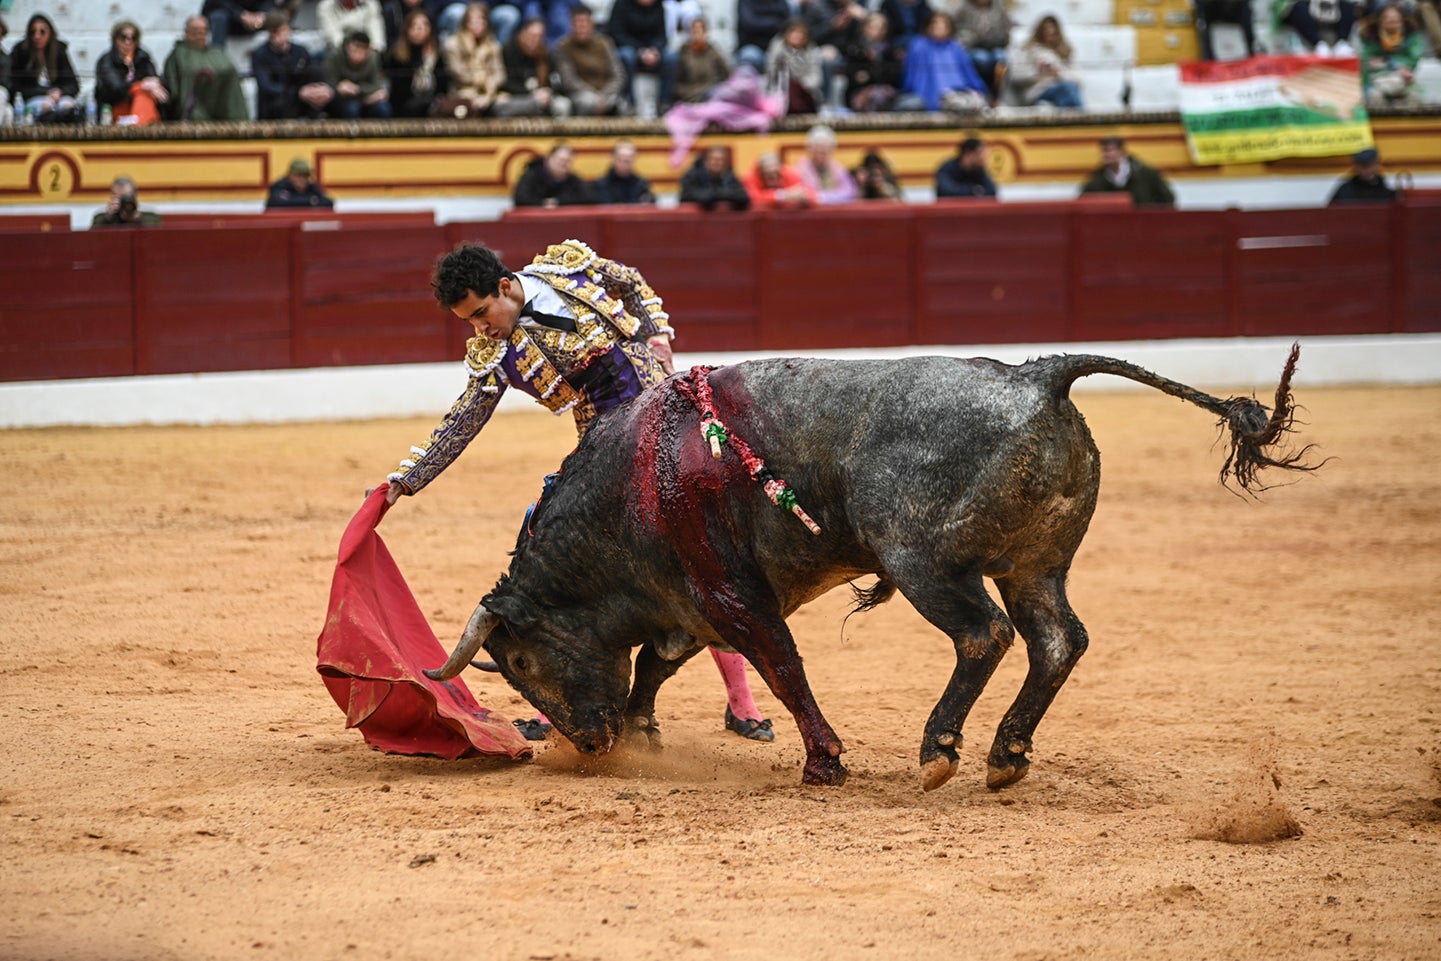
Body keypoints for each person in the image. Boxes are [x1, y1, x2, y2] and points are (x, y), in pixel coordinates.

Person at [378, 239, 775, 742]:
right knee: (554, 549)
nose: (481, 328)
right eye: (470, 323)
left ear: (505, 286)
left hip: (674, 421)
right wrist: (405, 482)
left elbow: (630, 279)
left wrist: (656, 336)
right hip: (606, 451)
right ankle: (552, 705)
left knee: (707, 549)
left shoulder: (567, 268)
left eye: (482, 313)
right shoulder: (495, 352)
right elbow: (463, 420)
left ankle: (742, 704)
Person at [897, 12, 989, 113]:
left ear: (950, 28)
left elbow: (969, 74)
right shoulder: (919, 46)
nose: (939, 27)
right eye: (935, 23)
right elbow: (911, 77)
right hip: (926, 97)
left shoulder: (956, 48)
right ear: (928, 26)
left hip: (958, 94)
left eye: (943, 24)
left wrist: (980, 91)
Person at [162, 16, 251, 120]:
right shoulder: (178, 55)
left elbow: (230, 71)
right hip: (193, 106)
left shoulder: (217, 53)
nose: (199, 36)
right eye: (194, 32)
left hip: (221, 102)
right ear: (186, 32)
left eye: (202, 31)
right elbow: (173, 87)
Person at [252, 13, 334, 119]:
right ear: (270, 33)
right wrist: (297, 93)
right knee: (281, 103)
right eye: (276, 31)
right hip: (277, 102)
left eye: (283, 30)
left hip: (301, 99)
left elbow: (313, 72)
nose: (281, 35)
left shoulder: (300, 51)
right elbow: (267, 86)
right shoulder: (260, 54)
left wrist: (320, 88)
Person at [554, 4, 630, 116]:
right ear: (570, 25)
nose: (581, 27)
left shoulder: (605, 43)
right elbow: (569, 80)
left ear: (592, 24)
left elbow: (619, 75)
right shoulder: (563, 47)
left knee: (622, 105)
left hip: (607, 93)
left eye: (584, 22)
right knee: (586, 102)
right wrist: (594, 96)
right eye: (577, 23)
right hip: (581, 94)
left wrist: (605, 94)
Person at [607, 0, 678, 119]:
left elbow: (662, 35)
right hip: (629, 47)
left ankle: (664, 104)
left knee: (671, 58)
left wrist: (655, 50)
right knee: (626, 56)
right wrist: (640, 51)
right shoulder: (621, 4)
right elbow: (616, 33)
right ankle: (630, 104)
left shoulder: (658, 6)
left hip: (652, 50)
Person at [10, 13, 81, 124]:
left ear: (50, 33)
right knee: (46, 106)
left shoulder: (59, 51)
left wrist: (60, 92)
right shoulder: (21, 52)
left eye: (42, 32)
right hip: (34, 98)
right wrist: (47, 92)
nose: (37, 36)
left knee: (68, 106)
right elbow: (17, 85)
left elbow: (74, 85)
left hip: (58, 97)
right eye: (33, 32)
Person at [95, 21, 169, 126]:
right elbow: (116, 89)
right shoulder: (107, 60)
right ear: (115, 39)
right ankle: (142, 129)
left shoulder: (143, 57)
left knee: (145, 96)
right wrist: (140, 85)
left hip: (142, 105)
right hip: (114, 108)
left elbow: (154, 82)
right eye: (123, 37)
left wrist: (154, 85)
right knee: (142, 93)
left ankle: (141, 126)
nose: (128, 42)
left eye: (133, 38)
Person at [495, 16, 572, 117]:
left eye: (540, 36)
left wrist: (548, 92)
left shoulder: (546, 53)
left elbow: (556, 80)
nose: (536, 40)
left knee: (563, 105)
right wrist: (532, 93)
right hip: (516, 97)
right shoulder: (508, 50)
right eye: (532, 36)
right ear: (523, 33)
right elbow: (505, 83)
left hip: (543, 98)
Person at [801, 0, 869, 113]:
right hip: (824, 49)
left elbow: (874, 31)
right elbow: (808, 36)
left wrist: (864, 19)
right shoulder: (817, 6)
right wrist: (832, 26)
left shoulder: (855, 7)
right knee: (827, 57)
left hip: (851, 51)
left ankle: (855, 106)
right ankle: (826, 103)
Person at [385, 8, 450, 117]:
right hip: (404, 104)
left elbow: (443, 85)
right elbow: (398, 92)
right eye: (415, 26)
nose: (420, 29)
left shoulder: (436, 53)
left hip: (433, 101)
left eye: (425, 25)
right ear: (407, 30)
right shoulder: (397, 55)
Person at [1009, 15, 1084, 109]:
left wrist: (1058, 73)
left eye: (1053, 33)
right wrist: (1038, 74)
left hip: (1061, 87)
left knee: (1068, 91)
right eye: (1046, 32)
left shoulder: (1065, 53)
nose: (1049, 35)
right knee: (1067, 91)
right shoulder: (1027, 50)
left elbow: (1079, 79)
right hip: (1037, 92)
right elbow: (1015, 76)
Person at [443, 1, 503, 116]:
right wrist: (482, 80)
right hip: (462, 93)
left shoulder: (493, 45)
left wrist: (490, 86)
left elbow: (500, 74)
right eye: (473, 20)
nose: (477, 23)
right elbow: (458, 74)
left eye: (481, 19)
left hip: (490, 93)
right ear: (465, 22)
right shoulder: (453, 45)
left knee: (503, 105)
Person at [1079, 136, 1175, 207]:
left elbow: (1168, 199)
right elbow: (1083, 203)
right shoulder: (1096, 180)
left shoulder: (1146, 174)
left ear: (1122, 152)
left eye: (1110, 150)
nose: (1107, 154)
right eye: (1104, 151)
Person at [1358, 4, 1424, 107]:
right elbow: (1367, 63)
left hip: (1404, 79)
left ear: (1402, 21)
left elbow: (1413, 58)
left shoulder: (1411, 35)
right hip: (1378, 80)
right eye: (1388, 21)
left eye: (1396, 21)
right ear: (1380, 21)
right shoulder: (1370, 36)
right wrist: (1391, 65)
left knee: (1415, 96)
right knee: (1374, 96)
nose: (1392, 25)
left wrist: (1387, 62)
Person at [840, 12, 904, 113]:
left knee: (882, 97)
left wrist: (869, 75)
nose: (878, 31)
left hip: (885, 91)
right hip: (858, 92)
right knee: (870, 98)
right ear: (864, 28)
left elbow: (893, 75)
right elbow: (853, 75)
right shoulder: (855, 48)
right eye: (873, 27)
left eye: (881, 27)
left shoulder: (890, 50)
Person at [326, 30, 394, 118]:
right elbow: (328, 83)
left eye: (361, 51)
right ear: (347, 47)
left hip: (369, 99)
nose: (357, 55)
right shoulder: (334, 57)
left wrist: (358, 89)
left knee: (384, 109)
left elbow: (377, 85)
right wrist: (339, 88)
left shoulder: (373, 58)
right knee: (351, 109)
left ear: (368, 51)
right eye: (354, 50)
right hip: (343, 100)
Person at [953, 0, 1012, 100]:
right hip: (972, 49)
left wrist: (992, 39)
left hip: (995, 47)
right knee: (981, 59)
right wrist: (974, 38)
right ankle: (982, 92)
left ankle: (997, 94)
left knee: (1001, 58)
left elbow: (1006, 35)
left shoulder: (1000, 9)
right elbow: (958, 34)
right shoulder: (962, 10)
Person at [765, 19, 825, 115]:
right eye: (793, 32)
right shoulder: (778, 48)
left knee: (794, 87)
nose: (796, 36)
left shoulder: (812, 51)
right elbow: (771, 72)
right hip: (781, 91)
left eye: (800, 33)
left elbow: (816, 79)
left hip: (805, 92)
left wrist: (800, 84)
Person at [513, 142, 597, 207]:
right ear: (548, 160)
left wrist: (558, 202)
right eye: (560, 160)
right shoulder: (532, 175)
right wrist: (543, 204)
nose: (563, 165)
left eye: (567, 161)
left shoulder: (572, 180)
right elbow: (521, 199)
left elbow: (590, 197)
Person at [794, 124, 858, 205]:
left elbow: (850, 193)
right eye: (818, 149)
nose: (822, 153)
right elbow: (804, 195)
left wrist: (822, 197)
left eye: (826, 150)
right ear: (810, 150)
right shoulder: (800, 169)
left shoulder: (837, 167)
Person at [674, 16, 730, 103]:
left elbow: (728, 73)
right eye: (694, 31)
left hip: (711, 93)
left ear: (706, 33)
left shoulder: (713, 52)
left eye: (700, 31)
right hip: (690, 95)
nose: (697, 35)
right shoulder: (683, 52)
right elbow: (676, 83)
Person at [677, 146, 752, 210]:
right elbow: (691, 196)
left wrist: (717, 194)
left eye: (721, 160)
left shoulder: (729, 176)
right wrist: (722, 195)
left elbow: (743, 197)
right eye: (714, 159)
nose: (717, 163)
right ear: (706, 161)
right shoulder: (692, 176)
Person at [1271, 0, 1358, 55]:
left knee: (1348, 6)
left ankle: (1342, 44)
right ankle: (1319, 45)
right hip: (1307, 20)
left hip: (1335, 13)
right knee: (1298, 8)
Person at [743, 151, 818, 209]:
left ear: (780, 170)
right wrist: (782, 196)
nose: (772, 177)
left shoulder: (790, 174)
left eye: (775, 173)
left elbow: (811, 195)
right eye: (768, 174)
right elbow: (753, 199)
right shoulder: (751, 178)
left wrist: (803, 198)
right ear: (760, 172)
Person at [592, 140, 656, 205]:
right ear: (613, 159)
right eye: (622, 159)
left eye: (629, 160)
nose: (625, 164)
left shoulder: (641, 185)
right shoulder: (600, 185)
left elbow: (650, 204)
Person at [736, 0, 793, 72]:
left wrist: (760, 22)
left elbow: (788, 25)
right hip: (753, 47)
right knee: (749, 56)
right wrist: (774, 22)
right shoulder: (746, 2)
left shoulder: (780, 2)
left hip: (777, 48)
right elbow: (749, 24)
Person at [1327, 147, 1397, 204]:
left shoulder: (1386, 193)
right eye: (1363, 166)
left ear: (1377, 165)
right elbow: (1329, 215)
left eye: (1369, 166)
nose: (1366, 170)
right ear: (1356, 167)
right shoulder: (1344, 192)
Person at [318, 0, 388, 56]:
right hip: (336, 50)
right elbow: (332, 35)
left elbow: (376, 30)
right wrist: (351, 50)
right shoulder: (326, 5)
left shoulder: (371, 4)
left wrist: (374, 49)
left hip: (365, 49)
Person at [91, 176, 163, 227]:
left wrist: (138, 219)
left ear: (135, 195)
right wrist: (108, 218)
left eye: (126, 197)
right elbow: (93, 237)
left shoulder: (149, 213)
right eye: (118, 198)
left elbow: (156, 234)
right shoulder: (101, 215)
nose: (123, 201)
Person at [201, 0, 274, 49]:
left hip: (252, 19)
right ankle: (217, 57)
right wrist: (240, 14)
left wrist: (261, 14)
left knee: (277, 18)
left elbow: (268, 2)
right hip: (226, 17)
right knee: (219, 17)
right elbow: (219, 3)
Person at [268, 157, 336, 207]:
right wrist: (311, 200)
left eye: (306, 176)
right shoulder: (279, 185)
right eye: (298, 175)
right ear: (289, 175)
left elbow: (328, 202)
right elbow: (278, 201)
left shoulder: (312, 186)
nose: (302, 179)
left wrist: (293, 199)